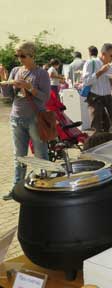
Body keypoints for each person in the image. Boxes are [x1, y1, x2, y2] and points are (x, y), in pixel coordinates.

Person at [0, 41, 51, 200]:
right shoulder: (16, 70)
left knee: (40, 154)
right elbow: (8, 95)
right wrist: (4, 80)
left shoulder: (41, 74)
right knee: (19, 156)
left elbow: (45, 97)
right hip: (16, 117)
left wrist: (28, 87)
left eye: (23, 55)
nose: (20, 59)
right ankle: (17, 189)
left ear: (32, 55)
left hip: (35, 119)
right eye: (18, 55)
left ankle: (45, 187)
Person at [82, 43, 112, 132]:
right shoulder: (91, 63)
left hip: (108, 97)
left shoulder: (110, 68)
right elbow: (86, 81)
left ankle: (107, 143)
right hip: (95, 97)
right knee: (96, 125)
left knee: (108, 125)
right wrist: (100, 72)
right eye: (111, 56)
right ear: (103, 54)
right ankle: (96, 144)